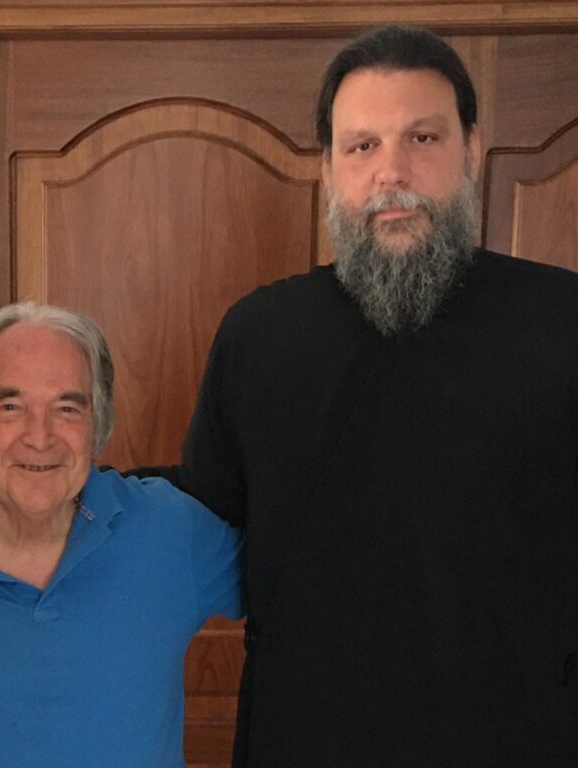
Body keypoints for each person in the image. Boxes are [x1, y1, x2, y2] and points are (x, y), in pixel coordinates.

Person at [156, 24, 578, 767]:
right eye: (362, 146)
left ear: (471, 150)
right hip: (303, 744)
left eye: (423, 138)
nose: (392, 172)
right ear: (329, 168)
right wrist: (29, 492)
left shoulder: (563, 323)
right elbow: (196, 522)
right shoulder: (258, 336)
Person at [0, 302, 243, 767]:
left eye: (67, 408)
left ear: (98, 425)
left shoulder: (169, 530)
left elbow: (295, 587)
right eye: (10, 407)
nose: (39, 437)